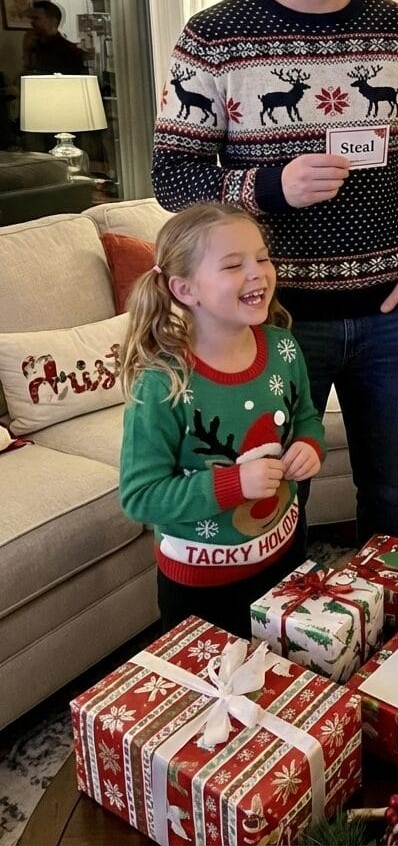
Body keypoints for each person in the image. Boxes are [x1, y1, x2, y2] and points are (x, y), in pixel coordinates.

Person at [152, 0, 398, 546]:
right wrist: (269, 187)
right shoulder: (213, 38)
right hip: (274, 322)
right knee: (275, 487)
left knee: (391, 487)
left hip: (391, 313)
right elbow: (171, 177)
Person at [119, 203, 325, 639]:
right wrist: (234, 484)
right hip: (201, 590)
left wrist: (309, 444)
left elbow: (305, 416)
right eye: (233, 265)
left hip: (285, 558)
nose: (258, 272)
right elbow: (140, 496)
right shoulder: (162, 383)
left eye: (263, 258)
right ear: (184, 289)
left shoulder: (284, 349)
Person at [22, 1, 86, 75]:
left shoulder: (71, 52)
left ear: (53, 21)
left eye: (36, 18)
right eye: (31, 18)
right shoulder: (33, 47)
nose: (32, 22)